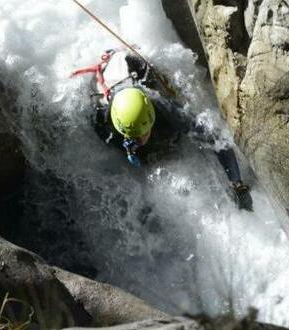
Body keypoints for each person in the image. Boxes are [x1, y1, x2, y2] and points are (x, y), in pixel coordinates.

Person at [71, 49, 253, 210]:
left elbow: (215, 140)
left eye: (142, 133)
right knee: (150, 153)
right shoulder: (102, 118)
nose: (140, 139)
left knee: (171, 136)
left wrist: (237, 183)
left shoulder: (161, 105)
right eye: (135, 136)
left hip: (131, 68)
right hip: (112, 83)